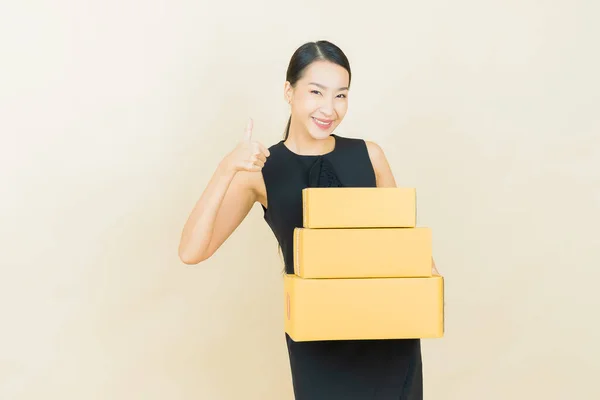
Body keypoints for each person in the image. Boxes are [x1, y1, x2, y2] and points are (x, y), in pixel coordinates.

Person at [178, 40, 439, 400]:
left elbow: (404, 248)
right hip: (318, 340)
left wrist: (427, 280)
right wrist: (227, 169)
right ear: (289, 91)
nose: (329, 108)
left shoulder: (371, 155)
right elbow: (192, 251)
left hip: (390, 338)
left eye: (341, 95)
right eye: (316, 92)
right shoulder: (260, 172)